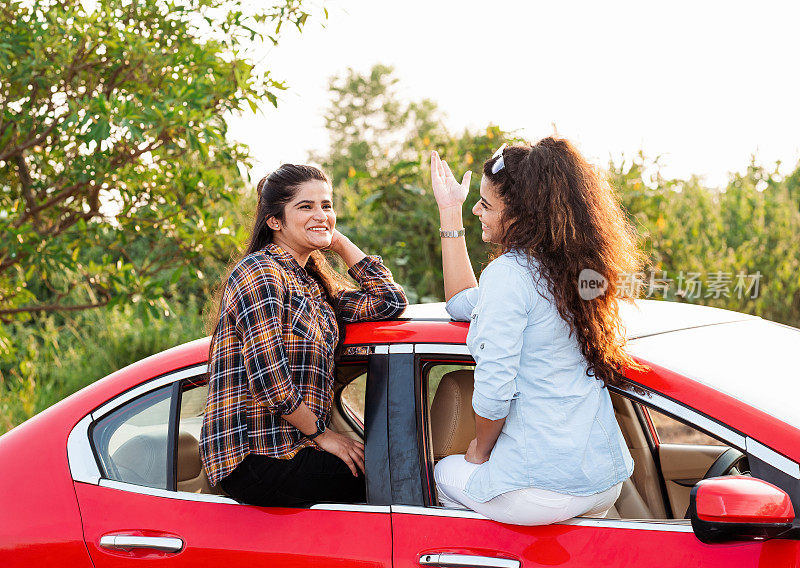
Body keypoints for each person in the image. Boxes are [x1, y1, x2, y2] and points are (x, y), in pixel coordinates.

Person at [430, 138, 646, 525]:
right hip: (602, 481)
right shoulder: (575, 273)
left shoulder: (509, 276)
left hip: (542, 489)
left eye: (486, 204)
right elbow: (463, 301)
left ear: (522, 216)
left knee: (443, 475)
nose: (476, 209)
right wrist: (450, 211)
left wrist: (478, 452)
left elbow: (494, 392)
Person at [200, 164, 407, 507]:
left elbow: (389, 301)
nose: (321, 214)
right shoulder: (259, 272)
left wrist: (336, 240)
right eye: (306, 206)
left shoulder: (313, 285)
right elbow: (270, 380)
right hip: (254, 457)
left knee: (394, 475)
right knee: (393, 484)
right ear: (274, 221)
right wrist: (324, 436)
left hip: (296, 449)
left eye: (326, 206)